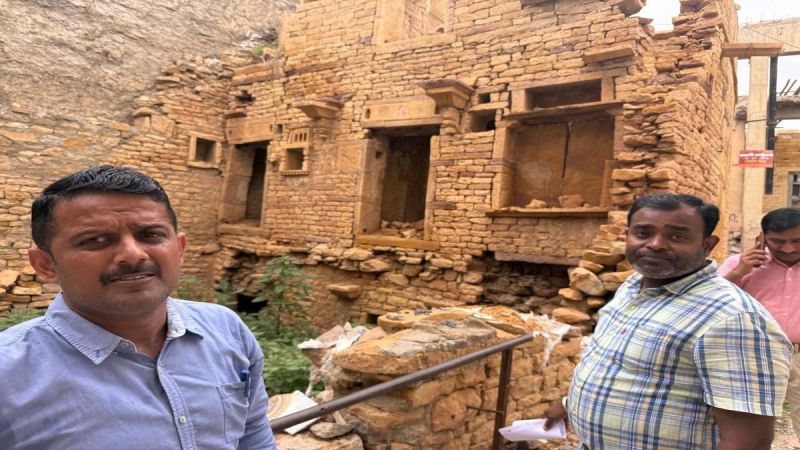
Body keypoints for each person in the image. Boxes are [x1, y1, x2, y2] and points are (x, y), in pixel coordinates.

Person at [0, 166, 277, 449]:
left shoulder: (225, 329)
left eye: (151, 234)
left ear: (179, 249)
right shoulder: (8, 375)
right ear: (45, 265)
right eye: (95, 240)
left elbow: (253, 435)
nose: (133, 254)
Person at [543, 194, 792, 449]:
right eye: (643, 233)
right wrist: (569, 404)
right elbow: (621, 366)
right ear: (627, 236)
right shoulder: (633, 286)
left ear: (707, 245)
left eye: (677, 236)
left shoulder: (733, 319)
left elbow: (747, 441)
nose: (655, 244)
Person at [719, 207, 800, 443]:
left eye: (797, 241)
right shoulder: (738, 264)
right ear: (762, 238)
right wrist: (740, 271)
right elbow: (712, 301)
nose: (788, 249)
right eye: (778, 241)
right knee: (749, 427)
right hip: (754, 356)